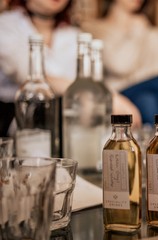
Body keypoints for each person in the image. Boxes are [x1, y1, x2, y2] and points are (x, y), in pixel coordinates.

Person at [0, 0, 141, 137]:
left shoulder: (72, 34)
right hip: (17, 116)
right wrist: (107, 97)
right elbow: (29, 74)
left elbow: (88, 79)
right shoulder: (6, 25)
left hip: (68, 116)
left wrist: (107, 97)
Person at [81, 0, 158, 125]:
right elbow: (120, 66)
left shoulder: (152, 32)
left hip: (149, 95)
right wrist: (136, 32)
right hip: (118, 96)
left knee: (148, 99)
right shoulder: (96, 29)